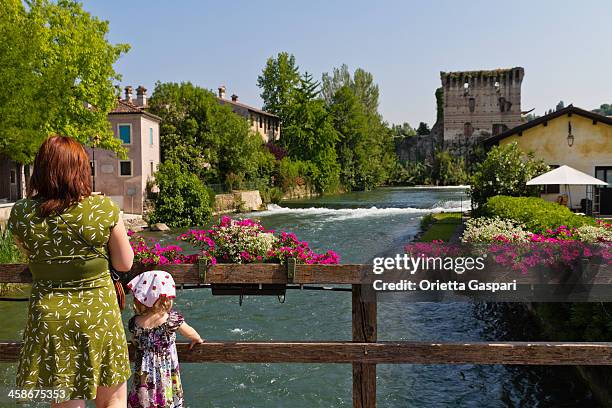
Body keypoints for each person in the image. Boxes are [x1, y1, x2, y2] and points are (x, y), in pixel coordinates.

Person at [8, 135, 134, 407]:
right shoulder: (102, 208)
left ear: (41, 169)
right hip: (98, 314)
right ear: (80, 170)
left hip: (50, 317)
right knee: (111, 400)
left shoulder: (21, 213)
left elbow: (28, 255)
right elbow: (124, 264)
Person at [127, 271, 204, 408]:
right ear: (165, 298)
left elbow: (133, 340)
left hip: (143, 378)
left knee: (142, 401)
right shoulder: (171, 320)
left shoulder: (135, 323)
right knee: (165, 400)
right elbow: (190, 333)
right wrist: (197, 338)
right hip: (165, 375)